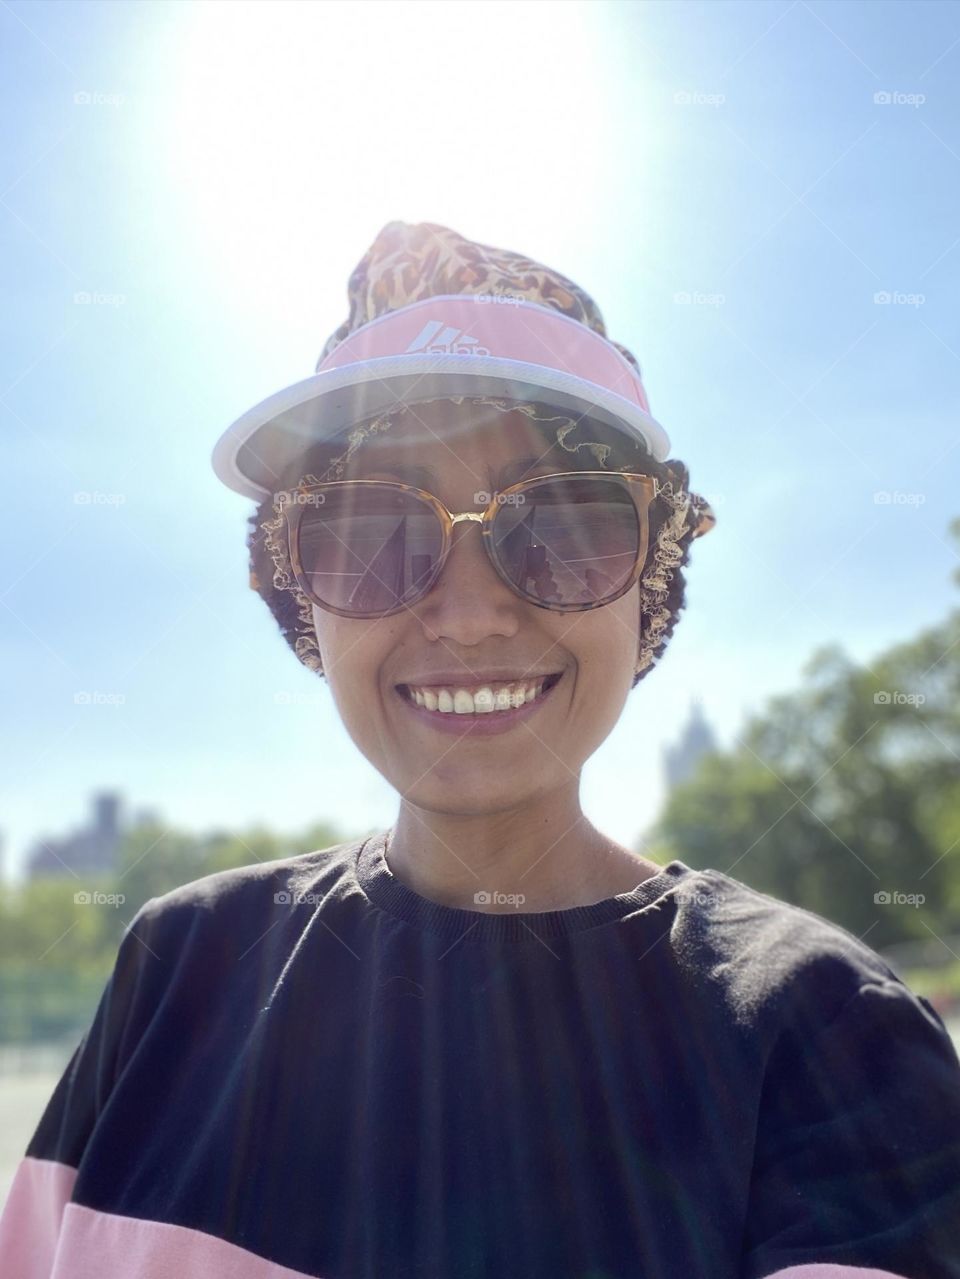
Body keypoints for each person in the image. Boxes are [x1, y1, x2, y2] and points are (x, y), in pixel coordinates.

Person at [2, 220, 958, 1279]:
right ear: (299, 594)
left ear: (652, 579)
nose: (467, 615)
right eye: (369, 529)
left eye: (563, 520)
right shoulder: (178, 965)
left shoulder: (830, 1034)